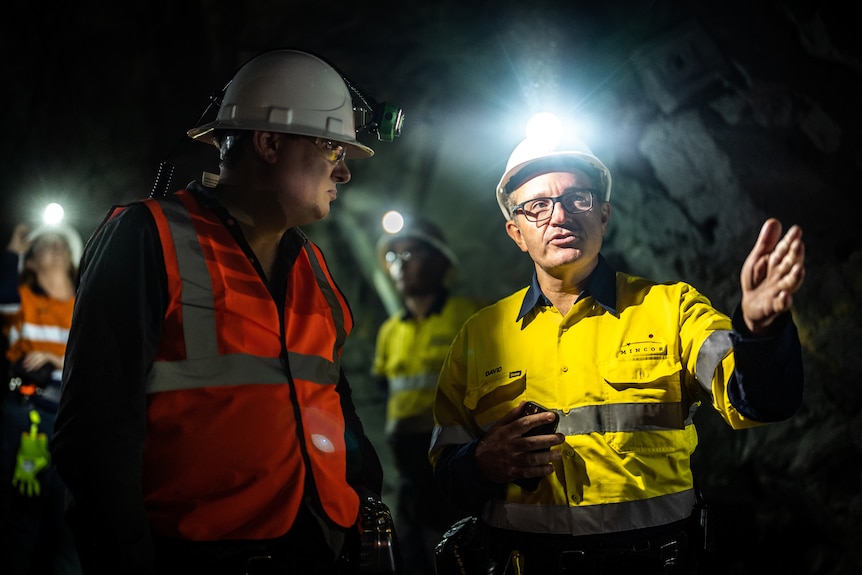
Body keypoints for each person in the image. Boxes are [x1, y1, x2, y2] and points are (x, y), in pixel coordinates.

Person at [50, 49, 400, 575]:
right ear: (269, 142)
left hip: (320, 553)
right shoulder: (147, 237)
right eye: (331, 147)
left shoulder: (312, 265)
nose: (345, 171)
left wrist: (364, 497)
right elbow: (94, 433)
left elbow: (333, 402)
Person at [429, 134, 805, 574]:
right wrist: (479, 464)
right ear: (517, 233)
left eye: (579, 199)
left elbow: (758, 400)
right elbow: (445, 475)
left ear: (604, 215)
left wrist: (759, 331)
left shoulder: (672, 309)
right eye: (537, 206)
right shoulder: (479, 336)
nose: (561, 215)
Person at [372, 218, 482, 575]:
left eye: (411, 252)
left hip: (455, 461)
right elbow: (385, 389)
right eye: (393, 256)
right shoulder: (390, 331)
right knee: (409, 553)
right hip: (408, 465)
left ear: (441, 261)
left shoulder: (470, 317)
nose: (400, 262)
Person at [1, 222, 83, 575]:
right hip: (29, 421)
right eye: (45, 245)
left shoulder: (89, 304)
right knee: (24, 514)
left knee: (75, 523)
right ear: (30, 263)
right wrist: (12, 253)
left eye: (61, 243)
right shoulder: (23, 303)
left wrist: (57, 360)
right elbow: (4, 295)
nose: (56, 247)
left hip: (78, 426)